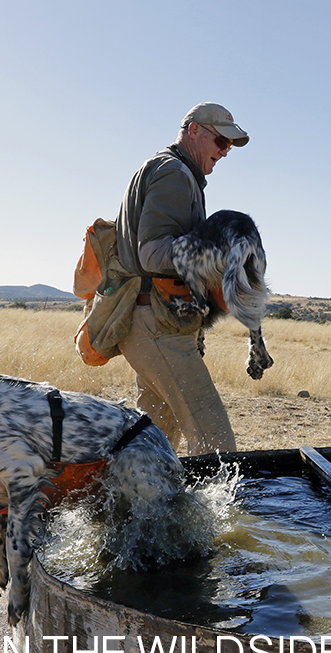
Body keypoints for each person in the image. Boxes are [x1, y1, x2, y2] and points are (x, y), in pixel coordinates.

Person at [113, 102, 250, 456]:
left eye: (230, 144)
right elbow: (153, 253)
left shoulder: (173, 170)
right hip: (159, 326)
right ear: (194, 131)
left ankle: (128, 511)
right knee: (215, 441)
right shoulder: (174, 172)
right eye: (221, 140)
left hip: (150, 321)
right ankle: (214, 514)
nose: (225, 150)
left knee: (151, 444)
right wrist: (218, 253)